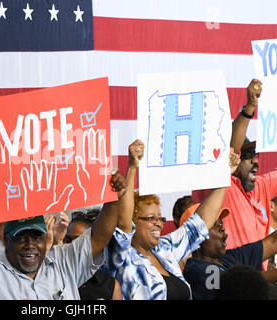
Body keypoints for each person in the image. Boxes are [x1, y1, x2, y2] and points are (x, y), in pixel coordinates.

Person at [0, 169, 127, 300]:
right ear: (7, 239)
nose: (30, 244)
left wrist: (113, 199)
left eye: (37, 237)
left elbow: (98, 237)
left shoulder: (63, 262)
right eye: (22, 238)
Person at [101, 139, 241, 300]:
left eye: (160, 218)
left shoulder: (164, 249)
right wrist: (132, 167)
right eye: (151, 218)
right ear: (133, 222)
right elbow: (123, 222)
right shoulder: (120, 256)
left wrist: (224, 176)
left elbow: (201, 222)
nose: (159, 224)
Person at [193, 79, 277, 256]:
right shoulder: (218, 183)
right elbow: (231, 147)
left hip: (256, 277)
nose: (255, 161)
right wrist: (250, 108)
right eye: (247, 156)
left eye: (256, 155)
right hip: (225, 274)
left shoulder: (261, 185)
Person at [181, 203, 277, 300]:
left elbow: (273, 242)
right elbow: (247, 286)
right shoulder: (197, 271)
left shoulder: (228, 257)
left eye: (221, 223)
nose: (223, 228)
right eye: (215, 225)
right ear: (195, 236)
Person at [64, 210, 123, 300]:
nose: (72, 246)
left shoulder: (111, 286)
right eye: (68, 240)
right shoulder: (55, 278)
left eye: (78, 241)